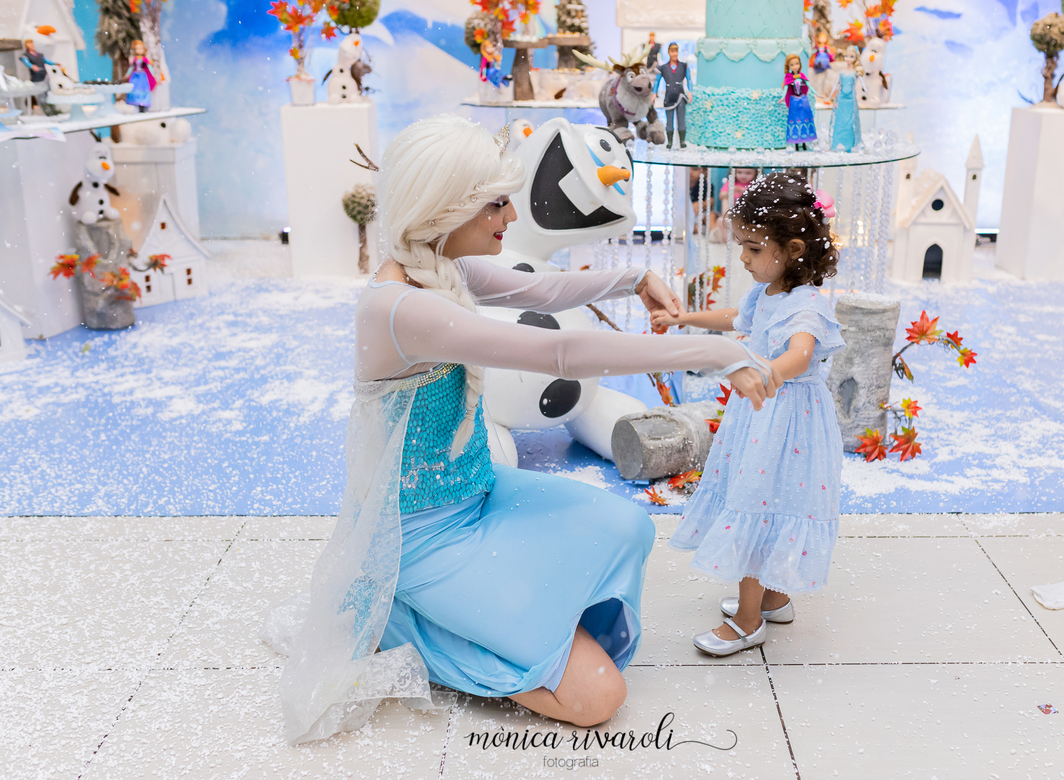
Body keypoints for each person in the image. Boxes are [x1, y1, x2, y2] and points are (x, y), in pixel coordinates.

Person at [264, 115, 782, 744]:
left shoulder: (440, 267)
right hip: (418, 539)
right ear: (442, 211)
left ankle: (484, 620)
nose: (510, 217)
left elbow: (540, 287)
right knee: (598, 699)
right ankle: (401, 621)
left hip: (478, 492)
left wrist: (633, 276)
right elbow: (558, 357)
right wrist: (711, 352)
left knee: (628, 525)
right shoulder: (400, 306)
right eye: (494, 204)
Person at [650, 172, 845, 657]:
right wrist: (683, 319)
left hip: (785, 415)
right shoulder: (768, 292)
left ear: (793, 248)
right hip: (760, 414)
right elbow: (736, 318)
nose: (743, 257)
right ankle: (775, 596)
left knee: (760, 501)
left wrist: (767, 372)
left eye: (754, 248)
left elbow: (801, 353)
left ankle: (748, 619)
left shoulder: (810, 304)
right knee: (758, 493)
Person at [654, 43, 691, 148]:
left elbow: (689, 80)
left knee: (681, 120)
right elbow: (657, 82)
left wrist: (690, 92)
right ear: (669, 52)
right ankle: (669, 142)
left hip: (681, 96)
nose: (674, 54)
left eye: (676, 51)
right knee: (669, 121)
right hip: (669, 96)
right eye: (672, 51)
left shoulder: (683, 66)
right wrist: (653, 94)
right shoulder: (663, 68)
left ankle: (682, 142)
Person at [780, 54, 817, 151]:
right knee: (795, 121)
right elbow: (786, 88)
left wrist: (816, 93)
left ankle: (804, 143)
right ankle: (796, 144)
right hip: (794, 102)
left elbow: (810, 85)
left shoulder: (802, 76)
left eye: (797, 63)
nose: (795, 66)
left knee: (804, 120)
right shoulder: (788, 77)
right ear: (789, 66)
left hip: (803, 100)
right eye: (792, 65)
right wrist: (782, 97)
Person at [124, 40, 158, 112]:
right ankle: (135, 106)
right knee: (134, 90)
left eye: (140, 48)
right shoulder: (134, 59)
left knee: (143, 90)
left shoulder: (145, 59)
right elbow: (131, 68)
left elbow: (149, 67)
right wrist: (127, 75)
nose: (139, 50)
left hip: (142, 77)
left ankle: (143, 106)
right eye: (137, 48)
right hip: (135, 76)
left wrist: (153, 74)